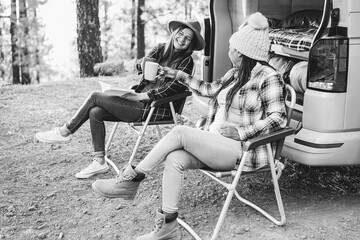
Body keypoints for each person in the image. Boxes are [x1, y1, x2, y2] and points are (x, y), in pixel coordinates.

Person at [92, 12, 287, 240]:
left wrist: (241, 132)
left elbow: (279, 118)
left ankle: (130, 180)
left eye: (233, 48)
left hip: (242, 150)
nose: (229, 51)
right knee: (175, 158)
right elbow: (208, 89)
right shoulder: (235, 74)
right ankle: (167, 228)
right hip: (216, 142)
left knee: (180, 132)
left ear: (245, 54)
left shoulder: (269, 78)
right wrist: (175, 74)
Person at [35, 19, 205, 179]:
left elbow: (173, 89)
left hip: (155, 107)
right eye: (181, 34)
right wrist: (145, 66)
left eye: (188, 39)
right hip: (138, 101)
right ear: (174, 33)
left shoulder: (186, 62)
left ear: (191, 44)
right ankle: (99, 162)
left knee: (95, 96)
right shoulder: (161, 48)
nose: (182, 40)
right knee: (95, 112)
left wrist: (141, 96)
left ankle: (65, 131)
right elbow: (141, 65)